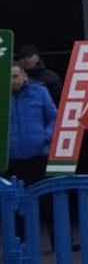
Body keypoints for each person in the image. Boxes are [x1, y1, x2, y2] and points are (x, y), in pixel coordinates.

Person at [6, 64, 56, 242]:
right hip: (13, 158)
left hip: (38, 155)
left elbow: (53, 116)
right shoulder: (3, 97)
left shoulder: (39, 92)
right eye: (8, 77)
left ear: (24, 76)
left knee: (47, 199)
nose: (12, 81)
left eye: (15, 76)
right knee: (15, 202)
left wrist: (46, 136)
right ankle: (21, 242)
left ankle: (57, 240)